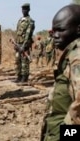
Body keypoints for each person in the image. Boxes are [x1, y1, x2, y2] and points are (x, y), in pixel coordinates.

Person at [41, 4, 80, 141]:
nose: (55, 36)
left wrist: (66, 135)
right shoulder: (71, 54)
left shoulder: (77, 56)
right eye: (53, 32)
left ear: (78, 29)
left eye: (61, 30)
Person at [14, 3, 35, 82]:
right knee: (17, 60)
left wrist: (24, 45)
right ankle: (18, 76)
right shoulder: (20, 20)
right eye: (23, 9)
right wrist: (16, 43)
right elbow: (17, 32)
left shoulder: (30, 21)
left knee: (24, 61)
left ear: (29, 10)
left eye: (25, 9)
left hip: (24, 44)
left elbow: (28, 34)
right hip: (18, 43)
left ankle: (24, 77)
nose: (24, 11)